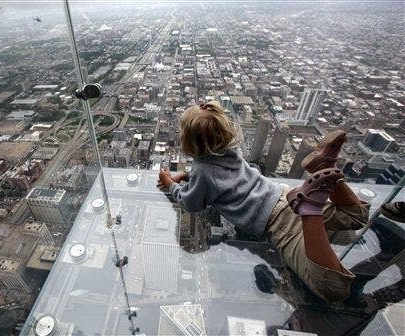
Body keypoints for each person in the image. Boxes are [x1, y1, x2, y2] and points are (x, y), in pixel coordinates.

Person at [157, 101, 370, 302]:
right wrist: (188, 176)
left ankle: (310, 210)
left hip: (279, 223)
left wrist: (170, 184)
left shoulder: (203, 173)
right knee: (355, 220)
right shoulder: (231, 152)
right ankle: (324, 166)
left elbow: (191, 202)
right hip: (284, 195)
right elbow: (213, 175)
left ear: (189, 142)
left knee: (334, 289)